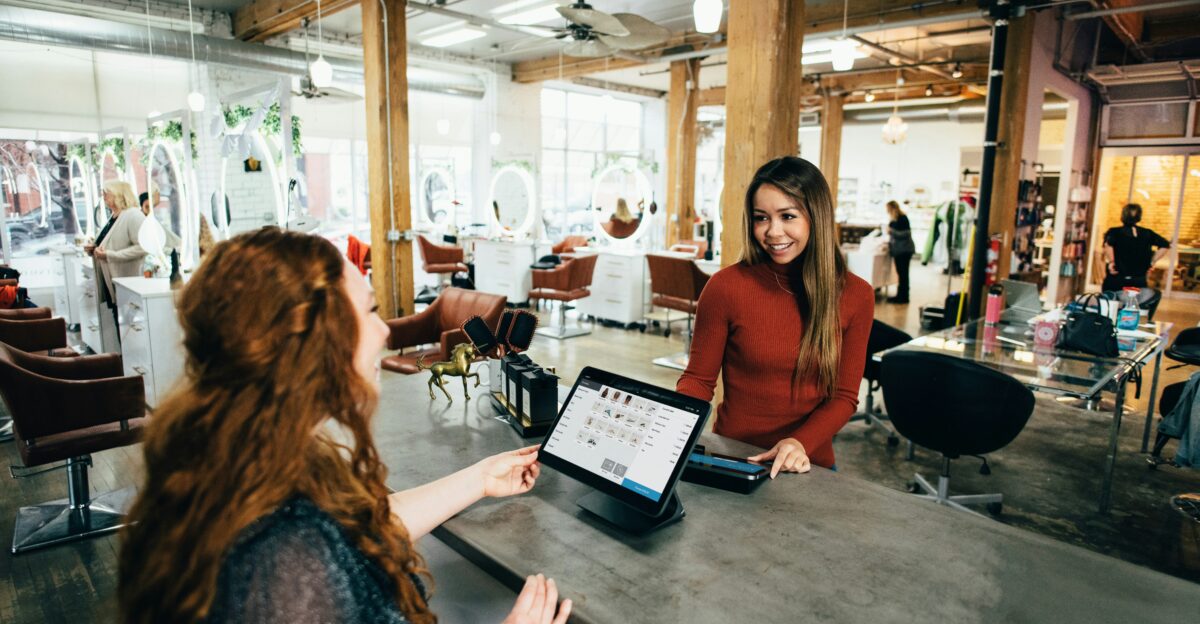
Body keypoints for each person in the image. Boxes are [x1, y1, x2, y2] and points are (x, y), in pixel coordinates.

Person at [118, 229, 571, 624]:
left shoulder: (239, 459)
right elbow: (319, 549)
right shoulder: (284, 563)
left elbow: (357, 530)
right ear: (316, 343)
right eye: (370, 311)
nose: (384, 332)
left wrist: (479, 479)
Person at [677, 157, 874, 477]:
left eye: (788, 216)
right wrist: (670, 427)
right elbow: (698, 381)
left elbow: (844, 397)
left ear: (816, 217)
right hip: (734, 458)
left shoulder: (855, 295)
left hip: (808, 464)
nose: (772, 231)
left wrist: (798, 443)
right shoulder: (726, 287)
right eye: (761, 218)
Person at [90, 180, 145, 308]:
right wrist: (93, 248)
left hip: (126, 279)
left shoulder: (133, 216)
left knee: (125, 320)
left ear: (118, 195)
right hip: (111, 277)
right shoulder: (114, 216)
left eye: (106, 194)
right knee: (117, 317)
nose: (103, 197)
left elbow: (142, 247)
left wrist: (110, 255)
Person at [1103, 203, 1170, 292]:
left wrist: (1112, 262)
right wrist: (1151, 261)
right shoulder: (1147, 233)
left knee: (1111, 302)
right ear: (1139, 217)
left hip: (1117, 278)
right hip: (1139, 280)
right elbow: (1165, 245)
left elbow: (1108, 245)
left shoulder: (1114, 232)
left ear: (1123, 215)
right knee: (1136, 302)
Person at [885, 200, 915, 304]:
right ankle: (900, 295)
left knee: (903, 274)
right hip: (898, 251)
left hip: (904, 251)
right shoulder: (893, 220)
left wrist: (892, 231)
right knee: (901, 274)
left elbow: (906, 234)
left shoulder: (902, 218)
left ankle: (904, 297)